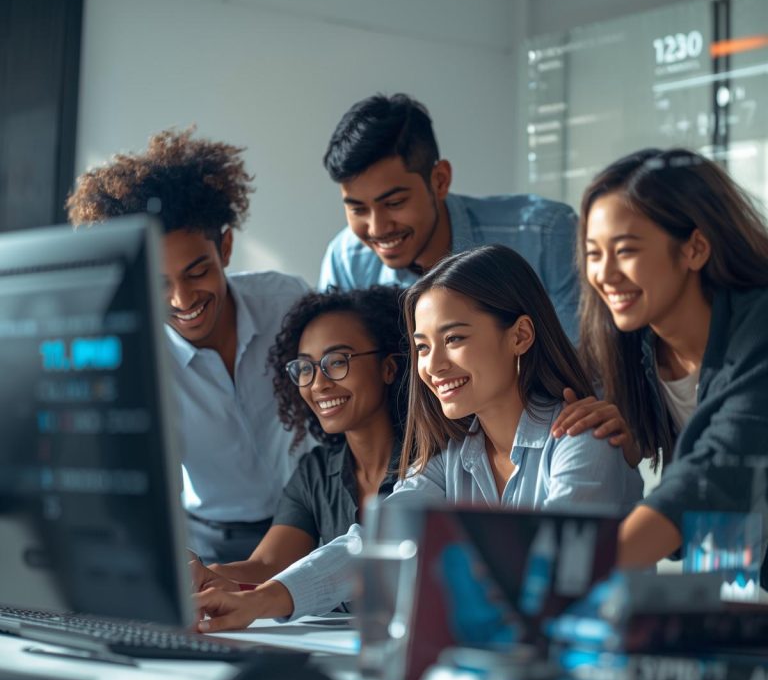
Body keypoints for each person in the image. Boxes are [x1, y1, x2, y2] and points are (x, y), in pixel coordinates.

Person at [194, 245, 642, 632]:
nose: (433, 366)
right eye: (423, 347)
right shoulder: (453, 458)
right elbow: (373, 542)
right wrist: (258, 602)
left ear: (520, 335)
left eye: (454, 338)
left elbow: (553, 572)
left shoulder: (581, 437)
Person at [66, 128, 309, 564]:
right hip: (211, 540)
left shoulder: (288, 303)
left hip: (311, 521)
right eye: (159, 283)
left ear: (226, 249)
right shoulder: (135, 358)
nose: (182, 299)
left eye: (197, 272)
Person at [550, 147, 768, 574]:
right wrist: (629, 441)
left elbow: (714, 477)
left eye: (625, 250)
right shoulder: (633, 348)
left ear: (694, 249)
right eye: (594, 254)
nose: (605, 274)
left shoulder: (759, 329)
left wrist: (571, 581)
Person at [189, 286, 407, 591]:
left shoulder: (434, 462)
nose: (318, 384)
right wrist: (203, 575)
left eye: (337, 361)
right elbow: (269, 565)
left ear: (389, 367)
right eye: (305, 368)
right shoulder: (314, 471)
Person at [318, 93, 581, 342]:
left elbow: (579, 362)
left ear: (440, 181)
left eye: (394, 203)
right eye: (358, 209)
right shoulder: (345, 262)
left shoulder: (545, 236)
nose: (377, 228)